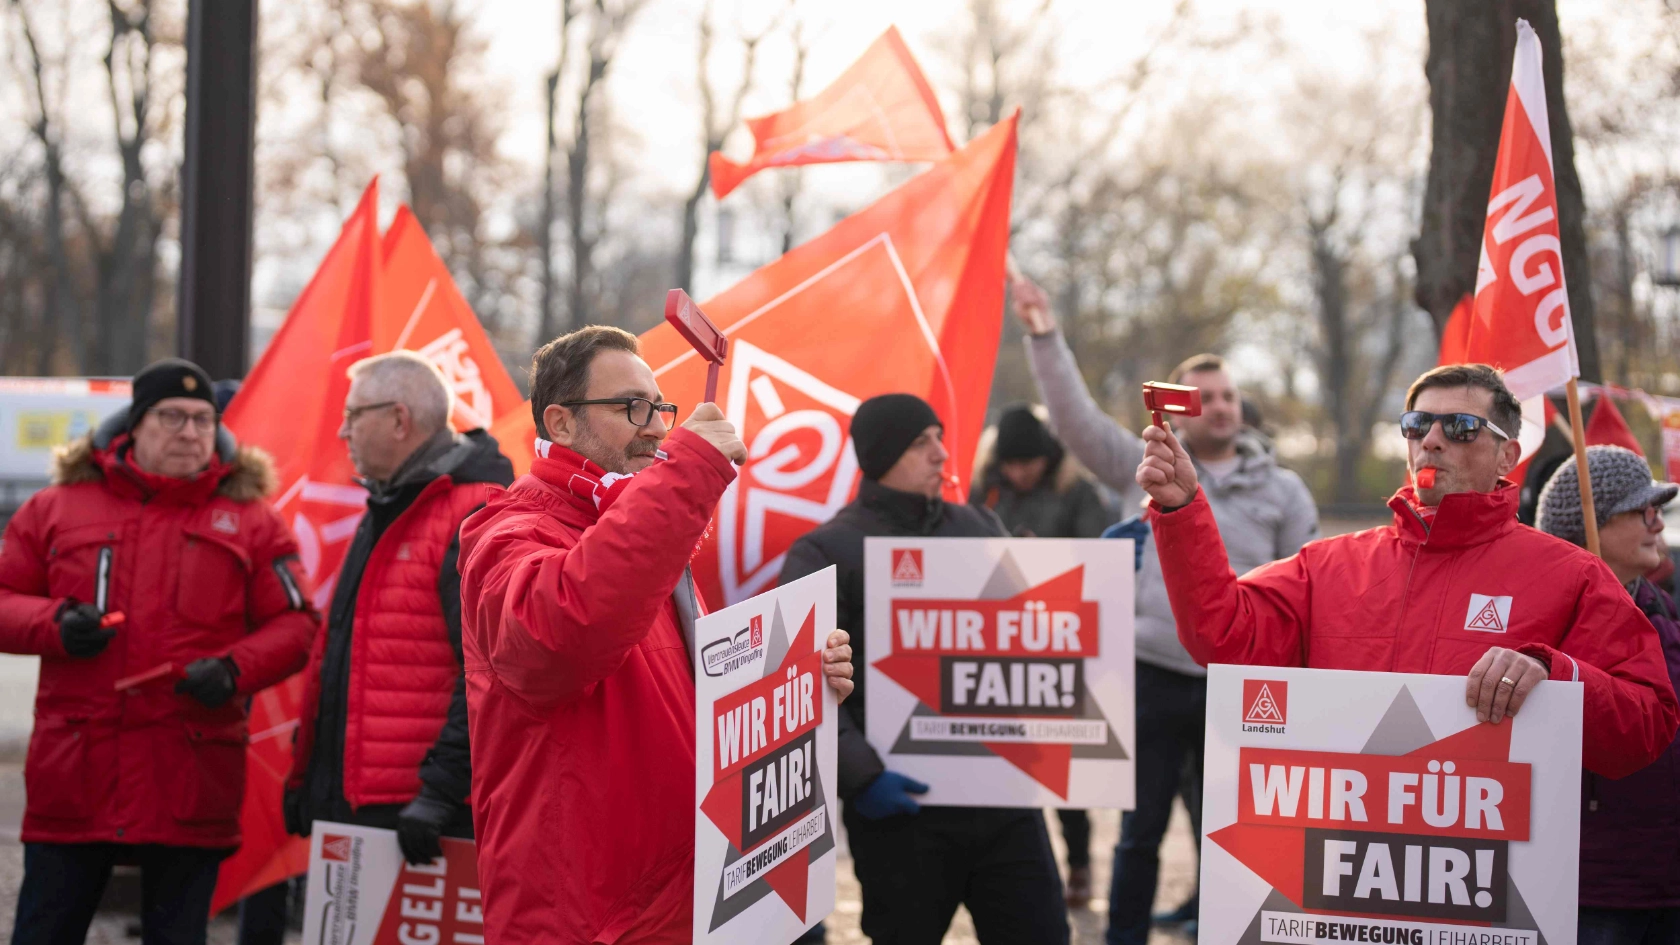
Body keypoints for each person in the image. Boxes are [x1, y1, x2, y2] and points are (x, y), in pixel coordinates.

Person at [457, 326, 854, 944]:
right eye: (631, 408)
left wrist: (797, 681)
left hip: (676, 899)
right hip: (586, 915)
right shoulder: (509, 529)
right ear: (561, 424)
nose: (656, 427)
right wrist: (689, 471)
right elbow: (558, 638)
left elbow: (693, 693)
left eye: (659, 407)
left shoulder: (639, 525)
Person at [1135, 363, 1679, 780]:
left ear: (1506, 455)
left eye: (1462, 427)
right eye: (1417, 424)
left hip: (1484, 899)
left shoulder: (1573, 575)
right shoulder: (1328, 567)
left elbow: (1648, 724)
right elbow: (1220, 633)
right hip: (1348, 884)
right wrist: (1183, 510)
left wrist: (1557, 676)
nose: (1432, 440)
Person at [1011, 275, 1318, 942]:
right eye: (1204, 397)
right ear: (1177, 410)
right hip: (1147, 673)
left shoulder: (1284, 490)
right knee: (1139, 832)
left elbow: (1305, 587)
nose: (1221, 407)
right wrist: (1044, 334)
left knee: (1236, 834)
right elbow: (1074, 419)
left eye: (1230, 395)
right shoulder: (1141, 468)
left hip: (1239, 687)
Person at [0, 358, 319, 945]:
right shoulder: (57, 507)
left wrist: (233, 670)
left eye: (202, 420)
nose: (190, 432)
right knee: (44, 932)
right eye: (172, 417)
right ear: (133, 426)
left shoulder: (252, 521)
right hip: (77, 777)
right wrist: (53, 625)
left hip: (188, 774)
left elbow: (297, 623)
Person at [780, 393, 1071, 945]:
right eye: (921, 442)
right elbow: (803, 682)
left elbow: (1025, 638)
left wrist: (1088, 580)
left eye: (939, 436)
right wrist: (863, 777)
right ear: (881, 453)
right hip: (901, 814)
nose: (942, 452)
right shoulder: (825, 550)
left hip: (1004, 804)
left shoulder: (980, 527)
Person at [285, 351, 514, 862]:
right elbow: (341, 656)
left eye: (352, 416)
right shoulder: (389, 503)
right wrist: (310, 775)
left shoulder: (473, 511)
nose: (343, 433)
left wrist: (438, 792)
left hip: (419, 817)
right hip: (364, 805)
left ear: (398, 419)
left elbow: (489, 673)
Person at [971, 403, 1114, 906]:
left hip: (1060, 644)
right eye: (1012, 464)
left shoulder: (1077, 493)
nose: (1019, 473)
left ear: (1048, 459)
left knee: (1061, 764)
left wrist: (1044, 560)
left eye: (1028, 464)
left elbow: (1102, 560)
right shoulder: (985, 489)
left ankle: (1078, 862)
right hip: (998, 643)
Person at [1537, 446, 1680, 945]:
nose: (1658, 525)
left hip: (1666, 886)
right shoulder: (1541, 625)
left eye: (1657, 511)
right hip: (1588, 893)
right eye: (1642, 511)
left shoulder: (1665, 612)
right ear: (1588, 525)